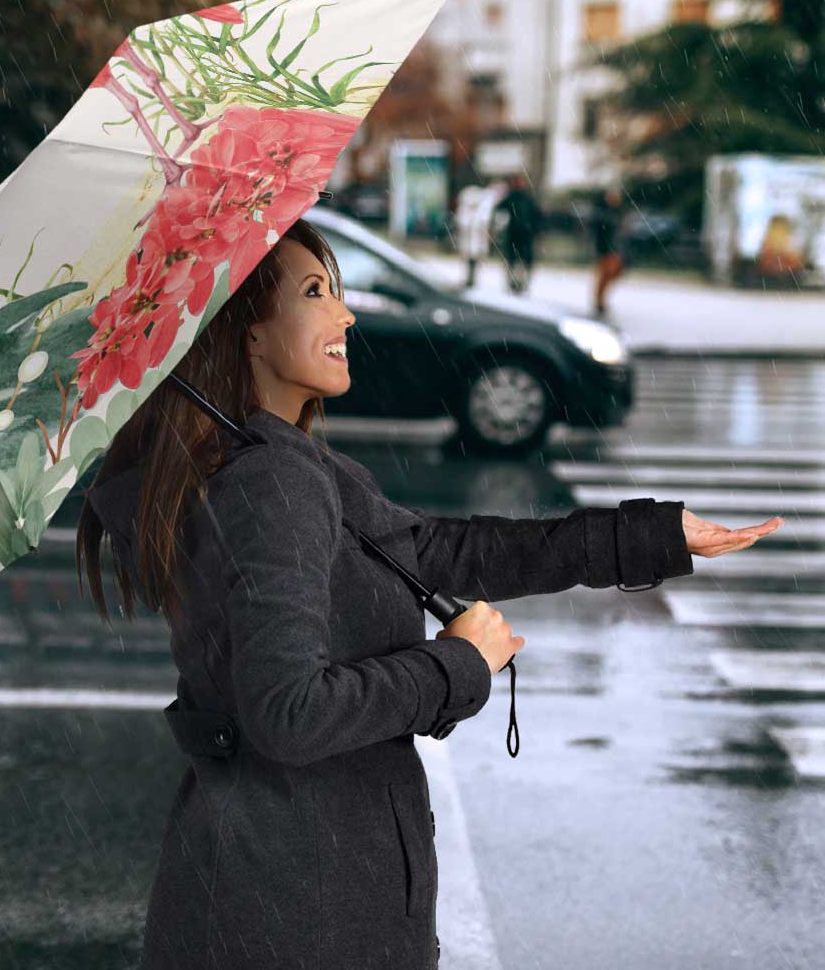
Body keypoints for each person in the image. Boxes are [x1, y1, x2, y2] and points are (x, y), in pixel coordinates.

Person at [77, 216, 781, 970]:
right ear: (246, 331)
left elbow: (442, 550)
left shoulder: (282, 465)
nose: (345, 314)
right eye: (315, 292)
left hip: (284, 886)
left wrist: (650, 537)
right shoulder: (270, 482)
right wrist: (455, 665)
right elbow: (288, 714)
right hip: (298, 907)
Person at [493, 172, 543, 295]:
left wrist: (536, 230)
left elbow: (537, 216)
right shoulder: (513, 197)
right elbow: (499, 210)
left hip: (524, 234)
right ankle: (514, 283)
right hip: (516, 234)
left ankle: (520, 283)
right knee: (514, 260)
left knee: (521, 261)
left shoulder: (526, 198)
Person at [591, 185, 627, 317]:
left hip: (615, 249)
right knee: (605, 275)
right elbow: (600, 232)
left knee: (613, 274)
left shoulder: (618, 212)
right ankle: (599, 301)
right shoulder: (603, 213)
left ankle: (601, 300)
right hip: (606, 249)